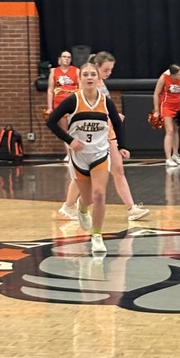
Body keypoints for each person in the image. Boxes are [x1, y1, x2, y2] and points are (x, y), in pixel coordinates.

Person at [46, 59, 128, 255]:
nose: (89, 77)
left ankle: (97, 236)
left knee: (100, 195)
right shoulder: (73, 100)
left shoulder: (105, 101)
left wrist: (123, 146)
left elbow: (117, 123)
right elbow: (51, 122)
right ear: (79, 78)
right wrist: (69, 140)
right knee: (88, 198)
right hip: (80, 156)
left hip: (100, 153)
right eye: (85, 74)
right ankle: (82, 209)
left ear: (98, 78)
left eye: (93, 74)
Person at [58, 51, 149, 222]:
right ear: (97, 68)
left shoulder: (102, 85)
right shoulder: (88, 85)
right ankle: (69, 205)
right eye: (106, 70)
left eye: (110, 70)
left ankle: (131, 208)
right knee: (82, 176)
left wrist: (115, 118)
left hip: (108, 133)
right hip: (93, 135)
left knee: (118, 170)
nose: (109, 73)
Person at [152, 64, 180, 168]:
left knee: (176, 130)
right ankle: (168, 158)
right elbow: (156, 93)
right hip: (166, 106)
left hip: (177, 106)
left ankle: (175, 154)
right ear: (172, 75)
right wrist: (157, 110)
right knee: (170, 131)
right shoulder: (164, 78)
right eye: (179, 74)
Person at [46, 50, 79, 115]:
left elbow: (81, 89)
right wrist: (49, 108)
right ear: (60, 59)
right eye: (64, 57)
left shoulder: (77, 71)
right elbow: (50, 90)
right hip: (59, 102)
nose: (67, 59)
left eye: (69, 57)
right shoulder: (54, 72)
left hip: (73, 101)